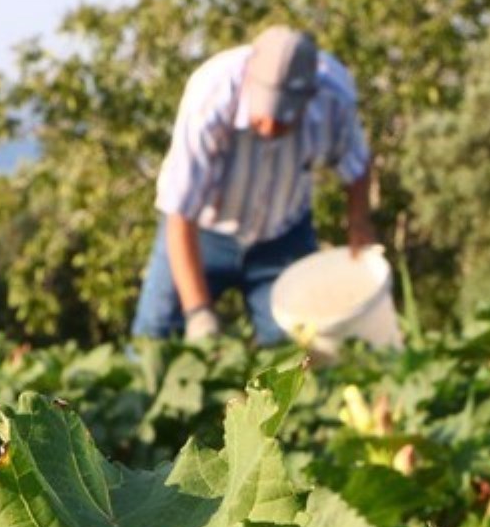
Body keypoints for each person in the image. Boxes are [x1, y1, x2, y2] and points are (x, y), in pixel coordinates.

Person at [130, 25, 376, 342]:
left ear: (309, 97)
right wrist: (198, 312)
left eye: (284, 117)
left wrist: (359, 224)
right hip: (201, 233)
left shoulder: (334, 97)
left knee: (299, 346)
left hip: (283, 236)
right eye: (264, 114)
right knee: (154, 337)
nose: (271, 126)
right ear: (249, 80)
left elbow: (356, 164)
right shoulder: (211, 94)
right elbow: (179, 212)